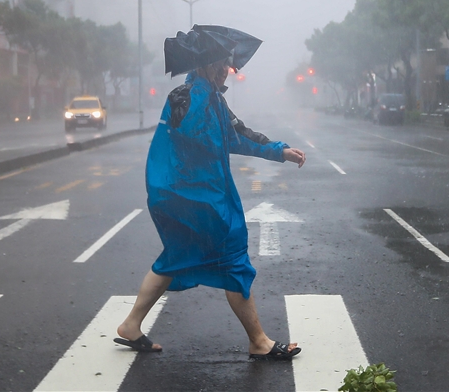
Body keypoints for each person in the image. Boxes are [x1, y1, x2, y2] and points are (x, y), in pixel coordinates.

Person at [113, 26, 306, 361]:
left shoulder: (214, 99)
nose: (226, 69)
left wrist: (281, 150)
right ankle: (258, 341)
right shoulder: (185, 97)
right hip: (190, 197)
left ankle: (131, 325)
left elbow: (239, 135)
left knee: (176, 258)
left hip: (196, 195)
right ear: (202, 65)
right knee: (232, 257)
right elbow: (187, 130)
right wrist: (203, 89)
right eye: (219, 63)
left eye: (227, 64)